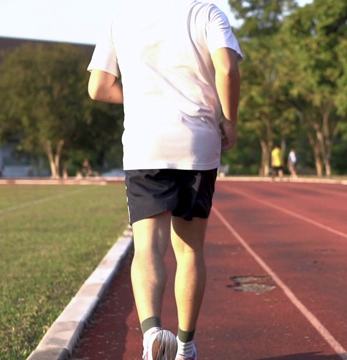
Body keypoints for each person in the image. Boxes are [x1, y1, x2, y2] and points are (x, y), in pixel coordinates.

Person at [87, 2, 242, 360]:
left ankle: (152, 332)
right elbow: (228, 69)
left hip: (146, 144)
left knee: (147, 248)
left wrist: (141, 99)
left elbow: (98, 87)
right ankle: (185, 346)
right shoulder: (206, 12)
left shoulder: (121, 17)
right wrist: (230, 119)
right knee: (189, 250)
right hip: (197, 143)